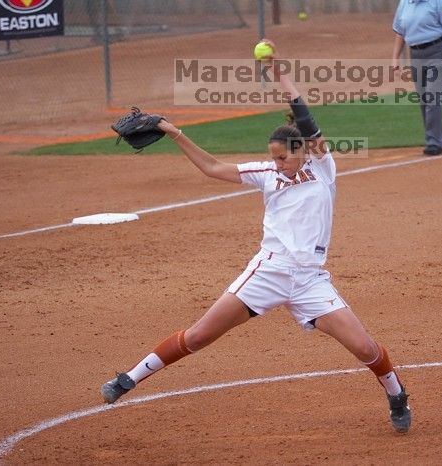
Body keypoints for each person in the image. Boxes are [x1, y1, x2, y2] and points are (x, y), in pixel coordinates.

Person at [100, 40, 412, 433]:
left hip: (311, 281)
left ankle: (397, 394)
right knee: (199, 335)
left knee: (364, 347)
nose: (277, 163)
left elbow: (304, 113)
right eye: (273, 156)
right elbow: (213, 168)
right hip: (268, 272)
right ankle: (127, 379)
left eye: (282, 157)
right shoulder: (266, 174)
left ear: (303, 152)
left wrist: (279, 70)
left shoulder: (323, 168)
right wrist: (175, 133)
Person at [391, 0, 442, 156]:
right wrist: (395, 58)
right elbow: (400, 32)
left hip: (437, 51)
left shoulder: (437, 2)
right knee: (424, 100)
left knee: (432, 98)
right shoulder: (405, 3)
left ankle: (433, 143)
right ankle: (440, 139)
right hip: (415, 54)